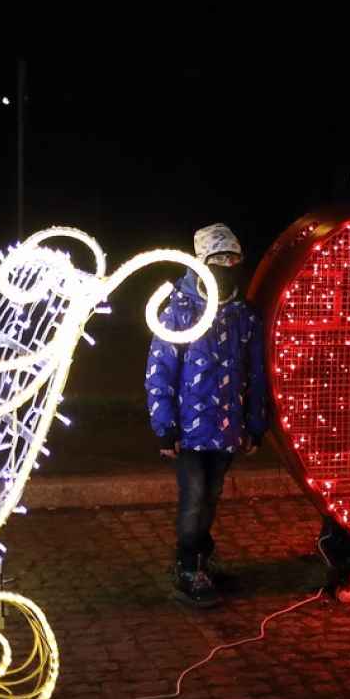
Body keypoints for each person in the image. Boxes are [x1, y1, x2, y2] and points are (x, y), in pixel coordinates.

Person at [145, 223, 269, 608]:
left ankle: (202, 554)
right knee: (194, 495)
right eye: (218, 260)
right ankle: (187, 564)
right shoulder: (179, 312)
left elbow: (256, 372)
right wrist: (165, 428)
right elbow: (160, 369)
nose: (226, 266)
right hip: (189, 430)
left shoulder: (244, 317)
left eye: (233, 260)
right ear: (201, 263)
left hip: (227, 429)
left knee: (211, 494)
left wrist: (255, 423)